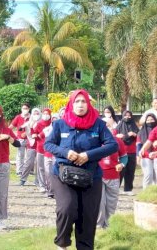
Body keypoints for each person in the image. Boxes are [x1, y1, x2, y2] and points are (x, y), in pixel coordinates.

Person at [44, 89, 118, 250]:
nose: (80, 105)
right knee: (67, 208)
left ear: (88, 104)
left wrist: (88, 155)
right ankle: (62, 243)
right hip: (63, 174)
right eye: (77, 101)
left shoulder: (98, 124)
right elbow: (48, 144)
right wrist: (65, 152)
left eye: (83, 101)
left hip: (91, 176)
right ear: (71, 104)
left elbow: (113, 145)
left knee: (88, 215)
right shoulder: (60, 124)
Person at [97, 124, 127, 229]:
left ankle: (109, 225)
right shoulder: (94, 140)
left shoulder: (117, 141)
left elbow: (124, 157)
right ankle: (98, 226)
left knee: (111, 203)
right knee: (99, 202)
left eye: (109, 126)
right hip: (98, 176)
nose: (106, 128)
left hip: (113, 176)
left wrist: (121, 164)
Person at [115, 110, 138, 195]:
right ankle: (116, 189)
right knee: (120, 171)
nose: (127, 117)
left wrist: (135, 135)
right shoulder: (118, 127)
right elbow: (113, 137)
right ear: (122, 116)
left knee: (130, 171)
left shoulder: (135, 127)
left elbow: (139, 138)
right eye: (125, 115)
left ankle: (128, 189)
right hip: (121, 152)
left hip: (132, 152)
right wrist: (118, 136)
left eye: (129, 116)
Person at [31, 108, 52, 194]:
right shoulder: (38, 124)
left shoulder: (53, 124)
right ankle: (42, 185)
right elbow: (33, 133)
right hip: (40, 148)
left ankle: (49, 185)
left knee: (49, 169)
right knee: (40, 168)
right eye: (44, 113)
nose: (45, 115)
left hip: (50, 150)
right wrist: (37, 135)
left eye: (47, 114)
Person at [20, 108, 41, 186]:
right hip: (31, 144)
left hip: (40, 145)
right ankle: (23, 179)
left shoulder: (42, 123)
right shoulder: (29, 123)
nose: (36, 115)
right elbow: (21, 128)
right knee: (29, 162)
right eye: (34, 113)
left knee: (39, 164)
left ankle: (38, 181)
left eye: (37, 113)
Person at [137, 114, 157, 189]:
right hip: (145, 156)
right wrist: (138, 156)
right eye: (148, 120)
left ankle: (156, 193)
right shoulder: (141, 132)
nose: (150, 121)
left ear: (155, 120)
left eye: (152, 120)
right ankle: (146, 192)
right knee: (148, 175)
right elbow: (139, 145)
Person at [9, 103, 31, 175]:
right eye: (23, 108)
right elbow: (10, 127)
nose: (25, 110)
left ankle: (29, 170)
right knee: (20, 155)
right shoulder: (18, 117)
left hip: (29, 139)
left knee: (29, 156)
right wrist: (14, 137)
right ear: (21, 109)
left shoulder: (31, 117)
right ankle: (19, 171)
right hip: (20, 139)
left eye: (26, 108)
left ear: (29, 109)